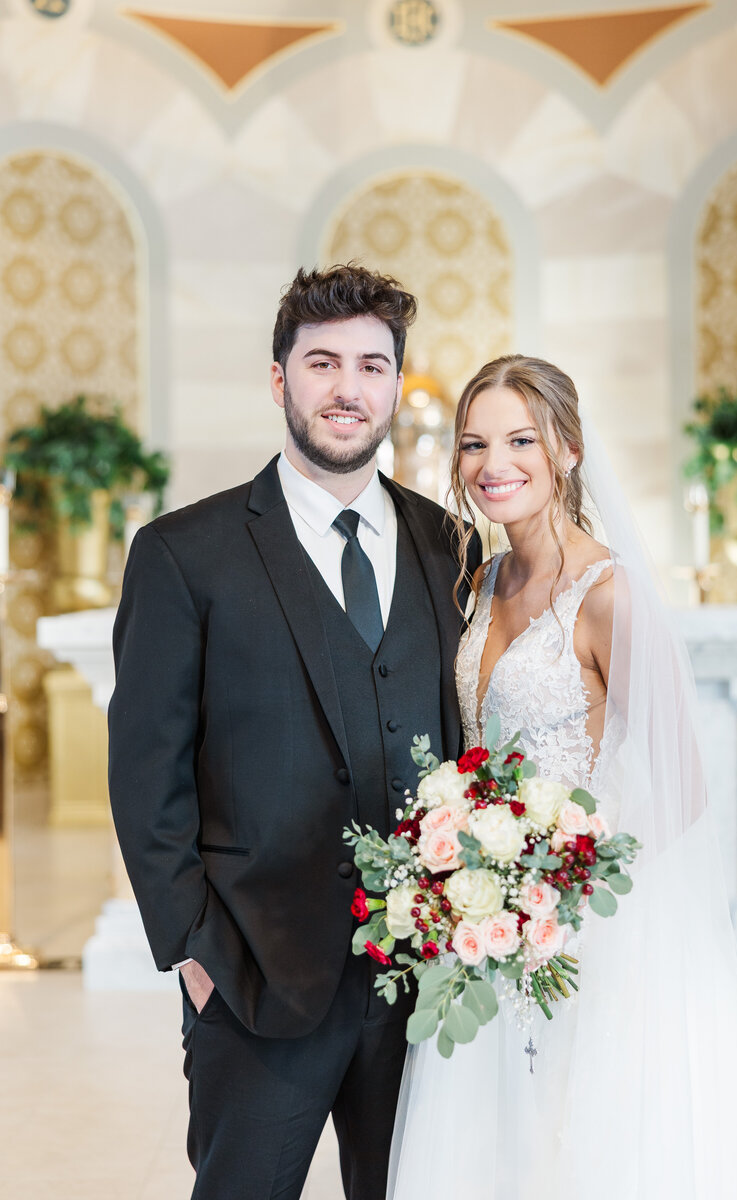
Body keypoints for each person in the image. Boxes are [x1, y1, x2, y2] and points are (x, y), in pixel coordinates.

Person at [108, 263, 481, 1200]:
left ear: (399, 384)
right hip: (253, 976)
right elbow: (145, 773)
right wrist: (195, 953)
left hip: (427, 985)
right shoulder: (183, 554)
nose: (347, 388)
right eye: (322, 363)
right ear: (280, 379)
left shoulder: (451, 547)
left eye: (371, 364)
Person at [388, 355, 737, 1199]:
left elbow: (682, 786)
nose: (491, 465)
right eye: (473, 444)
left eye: (518, 440)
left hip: (583, 926)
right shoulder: (479, 579)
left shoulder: (609, 594)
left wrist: (560, 875)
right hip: (486, 920)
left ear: (567, 450)